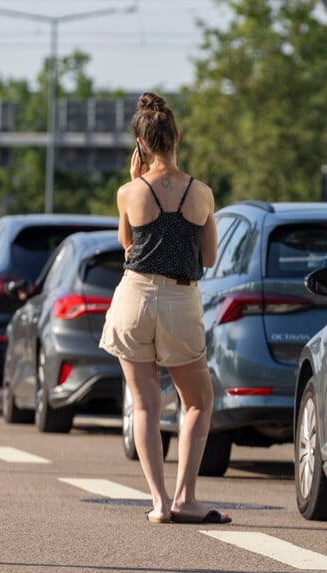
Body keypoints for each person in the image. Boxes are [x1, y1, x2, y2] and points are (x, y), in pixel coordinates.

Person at [99, 91, 229, 525]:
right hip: (178, 298)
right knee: (196, 403)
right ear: (176, 135)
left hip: (134, 296)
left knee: (145, 405)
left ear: (142, 145)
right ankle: (185, 498)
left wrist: (134, 179)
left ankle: (157, 503)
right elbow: (208, 258)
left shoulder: (127, 193)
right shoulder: (202, 193)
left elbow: (127, 246)